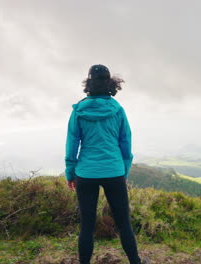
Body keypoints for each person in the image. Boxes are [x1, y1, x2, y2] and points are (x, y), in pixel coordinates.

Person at [65, 64, 149, 264]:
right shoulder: (117, 110)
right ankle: (135, 262)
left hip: (86, 173)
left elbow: (72, 144)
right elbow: (125, 143)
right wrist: (124, 171)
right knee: (123, 223)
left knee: (87, 225)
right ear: (111, 84)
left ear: (89, 84)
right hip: (114, 172)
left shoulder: (79, 111)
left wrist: (70, 173)